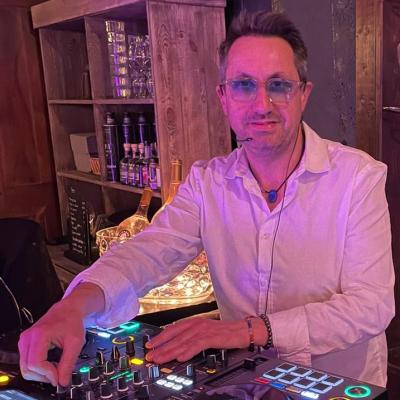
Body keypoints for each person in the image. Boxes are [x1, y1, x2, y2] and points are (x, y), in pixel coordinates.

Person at [19, 10, 394, 389]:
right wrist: (74, 305)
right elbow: (147, 252)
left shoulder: (358, 177)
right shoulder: (206, 182)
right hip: (248, 384)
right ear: (223, 97)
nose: (262, 104)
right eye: (244, 85)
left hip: (340, 385)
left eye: (278, 85)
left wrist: (246, 331)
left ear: (303, 95)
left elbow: (371, 306)